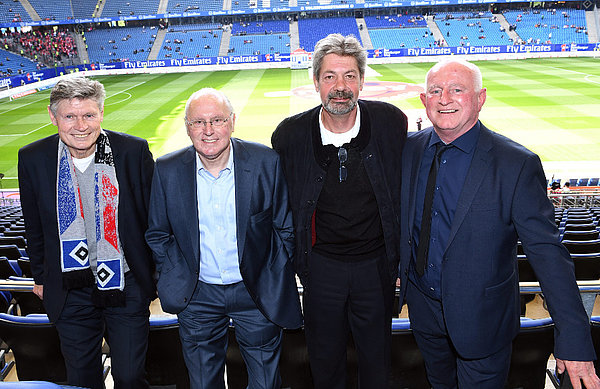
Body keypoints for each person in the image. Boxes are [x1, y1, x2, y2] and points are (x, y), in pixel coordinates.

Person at [398, 58, 600, 388]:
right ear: (423, 100)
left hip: (484, 322)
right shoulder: (409, 149)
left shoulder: (516, 163)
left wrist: (574, 339)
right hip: (423, 315)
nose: (444, 98)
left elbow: (548, 254)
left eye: (457, 90)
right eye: (435, 90)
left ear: (480, 98)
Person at [272, 33, 408, 388]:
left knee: (376, 361)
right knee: (324, 360)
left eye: (349, 76)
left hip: (375, 267)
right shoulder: (289, 136)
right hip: (321, 269)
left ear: (362, 81)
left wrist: (398, 260)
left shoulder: (392, 123)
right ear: (316, 81)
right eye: (330, 76)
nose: (340, 86)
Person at [145, 88, 302, 389]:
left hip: (255, 293)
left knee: (265, 383)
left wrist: (271, 276)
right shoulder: (166, 170)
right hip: (197, 296)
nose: (208, 131)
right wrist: (176, 274)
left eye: (216, 120)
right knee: (203, 383)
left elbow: (285, 227)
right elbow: (158, 233)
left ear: (232, 121)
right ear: (187, 126)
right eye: (198, 122)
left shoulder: (265, 162)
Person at [18, 76, 156, 389]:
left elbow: (153, 219)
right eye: (70, 116)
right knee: (81, 379)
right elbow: (34, 226)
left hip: (126, 282)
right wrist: (40, 277)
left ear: (102, 114)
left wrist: (153, 274)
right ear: (54, 117)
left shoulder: (133, 151)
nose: (81, 125)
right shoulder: (33, 158)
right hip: (70, 287)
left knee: (130, 377)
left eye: (89, 115)